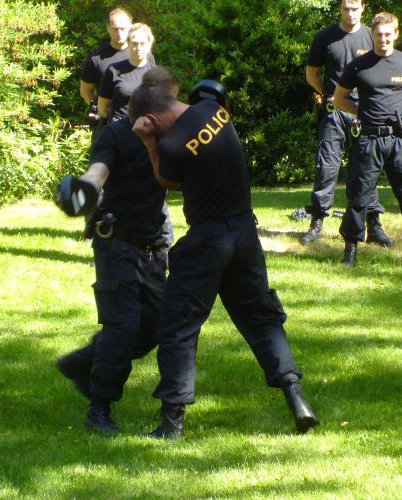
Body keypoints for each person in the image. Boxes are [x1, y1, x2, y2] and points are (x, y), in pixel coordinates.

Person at [130, 82, 320, 439]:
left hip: (207, 241)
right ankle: (296, 399)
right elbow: (210, 96)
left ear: (152, 118)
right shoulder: (215, 110)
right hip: (245, 234)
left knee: (178, 326)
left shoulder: (169, 145)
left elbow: (166, 179)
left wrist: (149, 142)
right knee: (261, 318)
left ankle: (171, 425)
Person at [56, 67, 181, 434]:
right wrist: (83, 190)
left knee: (156, 327)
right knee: (122, 326)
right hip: (118, 241)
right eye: (168, 100)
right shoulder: (116, 132)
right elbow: (98, 172)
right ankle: (100, 407)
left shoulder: (169, 128)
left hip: (154, 243)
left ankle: (82, 363)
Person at [334, 12, 402, 267]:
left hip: (400, 140)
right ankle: (351, 251)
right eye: (379, 34)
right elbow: (339, 99)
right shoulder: (358, 65)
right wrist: (363, 113)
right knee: (358, 195)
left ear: (396, 34)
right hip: (369, 140)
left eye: (388, 34)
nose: (383, 39)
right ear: (372, 35)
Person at [302, 0, 392, 247]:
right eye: (345, 8)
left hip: (364, 114)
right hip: (333, 115)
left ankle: (374, 224)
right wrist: (330, 95)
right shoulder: (325, 37)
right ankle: (317, 222)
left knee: (366, 170)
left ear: (363, 8)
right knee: (326, 168)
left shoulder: (372, 37)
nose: (350, 13)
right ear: (340, 9)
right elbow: (312, 74)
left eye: (354, 8)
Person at [79, 8, 134, 140]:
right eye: (115, 28)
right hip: (107, 126)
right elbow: (85, 92)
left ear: (131, 27)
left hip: (137, 124)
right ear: (108, 28)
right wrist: (100, 109)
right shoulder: (96, 58)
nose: (119, 33)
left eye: (123, 28)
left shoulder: (141, 55)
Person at [98, 23, 155, 124]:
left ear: (149, 45)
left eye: (142, 43)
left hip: (147, 130)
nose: (138, 48)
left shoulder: (156, 74)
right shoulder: (113, 70)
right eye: (134, 43)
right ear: (128, 43)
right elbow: (102, 107)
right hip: (119, 129)